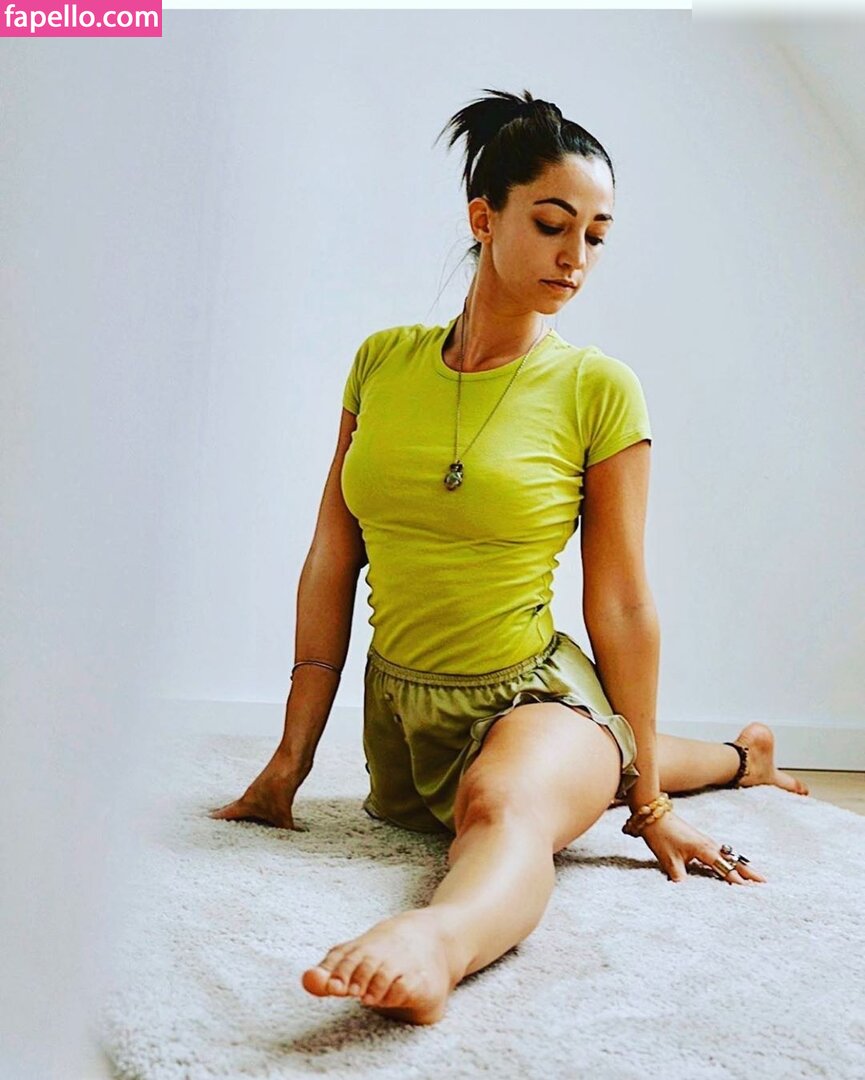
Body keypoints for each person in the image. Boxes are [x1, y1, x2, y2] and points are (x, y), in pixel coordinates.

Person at [209, 88, 809, 1026]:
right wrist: (291, 758)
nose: (577, 257)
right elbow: (332, 556)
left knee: (506, 807)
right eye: (552, 224)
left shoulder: (598, 388)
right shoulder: (381, 363)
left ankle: (435, 942)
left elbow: (621, 604)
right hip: (405, 710)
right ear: (483, 219)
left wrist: (650, 807)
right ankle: (743, 756)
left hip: (529, 691)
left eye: (596, 236)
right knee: (574, 762)